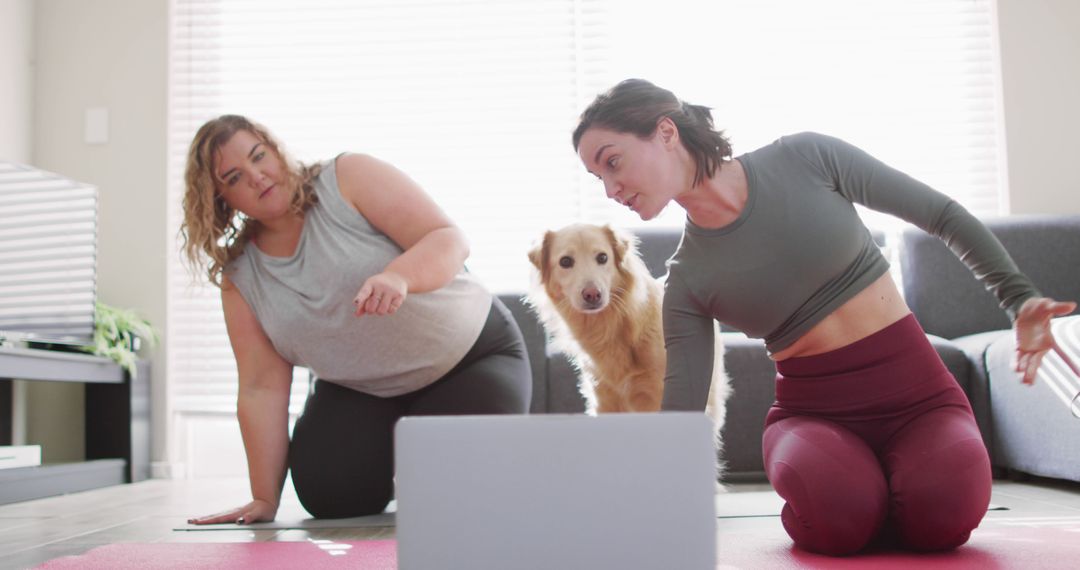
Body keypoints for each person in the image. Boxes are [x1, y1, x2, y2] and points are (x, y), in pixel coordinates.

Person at [572, 79, 1077, 556]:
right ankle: (864, 496)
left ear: (665, 131)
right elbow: (681, 416)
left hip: (922, 401)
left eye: (613, 163)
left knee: (943, 516)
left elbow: (941, 215)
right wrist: (631, 501)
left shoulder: (805, 157)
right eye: (599, 178)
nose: (611, 188)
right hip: (815, 420)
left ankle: (892, 493)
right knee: (841, 519)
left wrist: (1020, 299)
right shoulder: (685, 281)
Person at [180, 115, 531, 524]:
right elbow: (261, 388)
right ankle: (404, 457)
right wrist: (263, 499)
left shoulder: (346, 177)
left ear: (275, 149)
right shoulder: (241, 276)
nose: (257, 177)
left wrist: (399, 275)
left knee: (454, 493)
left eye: (259, 156)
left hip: (470, 357)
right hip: (361, 389)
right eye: (235, 177)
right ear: (221, 200)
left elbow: (447, 239)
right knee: (329, 496)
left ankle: (421, 463)